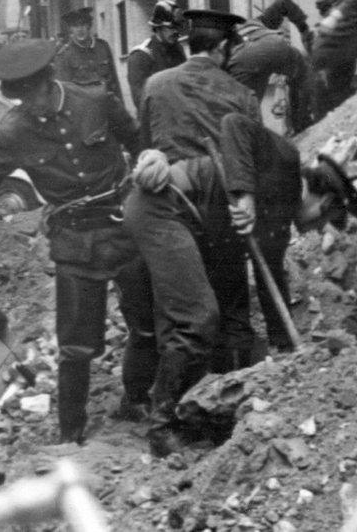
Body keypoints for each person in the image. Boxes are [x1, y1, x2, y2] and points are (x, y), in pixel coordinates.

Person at [0, 39, 156, 444]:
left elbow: (137, 141)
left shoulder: (95, 100)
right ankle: (71, 433)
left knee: (145, 326)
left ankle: (135, 398)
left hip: (123, 227)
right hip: (74, 240)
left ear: (49, 80)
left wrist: (150, 170)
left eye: (37, 95)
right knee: (76, 347)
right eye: (23, 99)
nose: (34, 107)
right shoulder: (14, 129)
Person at [124, 112, 352, 456]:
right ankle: (161, 426)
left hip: (193, 227)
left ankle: (203, 415)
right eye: (324, 222)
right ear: (326, 201)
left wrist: (288, 349)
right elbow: (232, 124)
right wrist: (244, 195)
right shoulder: (285, 159)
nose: (318, 231)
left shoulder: (281, 217)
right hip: (161, 208)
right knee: (198, 317)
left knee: (231, 323)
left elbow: (269, 274)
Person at [139, 9, 261, 376]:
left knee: (176, 307)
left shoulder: (155, 85)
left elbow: (145, 149)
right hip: (223, 207)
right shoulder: (242, 94)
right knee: (231, 299)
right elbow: (252, 158)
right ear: (223, 47)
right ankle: (232, 391)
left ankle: (180, 394)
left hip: (171, 204)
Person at [227, 0, 315, 134]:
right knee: (301, 74)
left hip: (242, 61)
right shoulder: (259, 21)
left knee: (246, 110)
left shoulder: (223, 42)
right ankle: (302, 124)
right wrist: (304, 30)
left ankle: (254, 141)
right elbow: (284, 3)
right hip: (275, 46)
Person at [126, 0, 187, 110]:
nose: (176, 32)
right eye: (171, 28)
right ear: (157, 27)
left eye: (177, 28)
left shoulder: (178, 50)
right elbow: (140, 100)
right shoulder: (142, 55)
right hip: (155, 122)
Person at [53, 7, 125, 103]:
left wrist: (120, 103)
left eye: (83, 24)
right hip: (82, 109)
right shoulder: (64, 55)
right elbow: (64, 90)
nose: (80, 29)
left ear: (89, 26)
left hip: (106, 104)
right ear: (71, 29)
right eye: (75, 26)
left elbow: (114, 81)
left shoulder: (102, 47)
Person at [311, 0, 357, 115]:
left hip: (347, 21)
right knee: (337, 85)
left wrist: (336, 15)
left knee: (319, 62)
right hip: (342, 24)